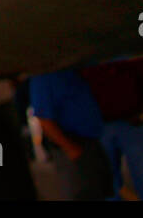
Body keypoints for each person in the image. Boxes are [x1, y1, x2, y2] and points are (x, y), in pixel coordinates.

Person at [81, 57, 143, 200]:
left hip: (131, 123)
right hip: (101, 126)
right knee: (108, 182)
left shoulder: (126, 58)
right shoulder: (88, 62)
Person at [29, 67, 114, 200]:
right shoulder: (44, 77)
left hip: (90, 142)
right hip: (73, 146)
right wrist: (71, 149)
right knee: (79, 192)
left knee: (98, 191)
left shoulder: (72, 71)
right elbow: (44, 120)